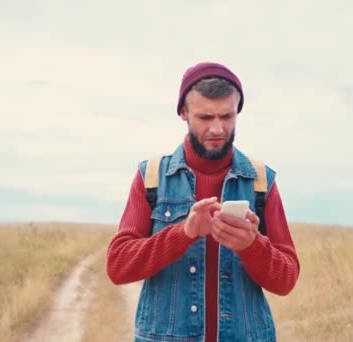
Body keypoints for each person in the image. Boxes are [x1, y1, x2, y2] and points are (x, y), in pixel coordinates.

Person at [106, 62, 300, 342]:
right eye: (205, 117)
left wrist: (252, 245)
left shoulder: (260, 180)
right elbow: (118, 266)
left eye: (227, 116)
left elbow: (286, 280)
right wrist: (183, 233)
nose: (217, 128)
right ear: (184, 113)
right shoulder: (151, 177)